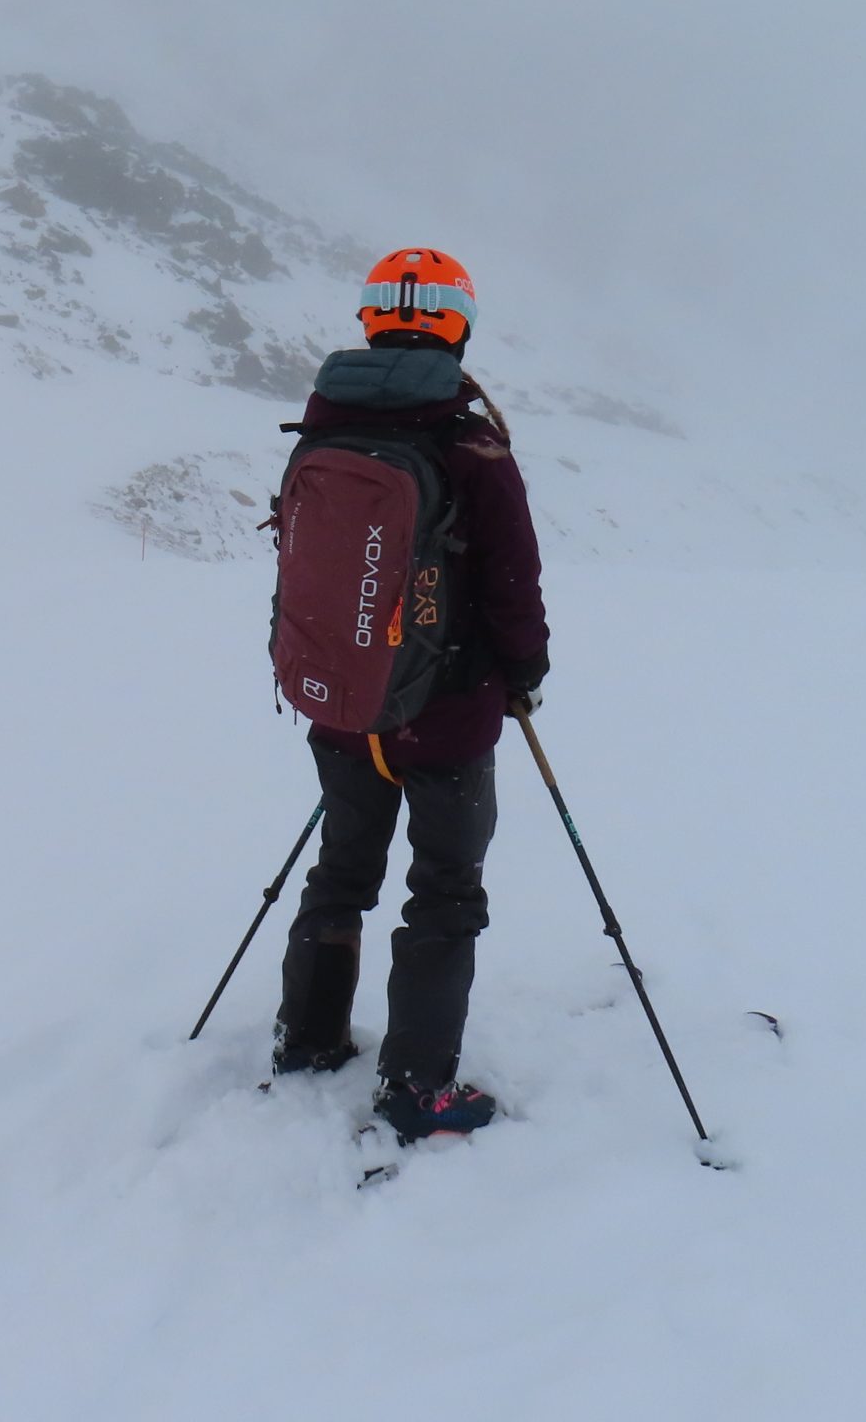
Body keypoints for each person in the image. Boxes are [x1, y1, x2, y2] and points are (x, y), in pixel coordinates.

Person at [271, 247, 550, 1142]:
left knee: (342, 872)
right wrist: (524, 676)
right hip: (448, 716)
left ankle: (307, 1038)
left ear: (370, 321)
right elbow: (513, 580)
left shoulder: (324, 429)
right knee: (445, 893)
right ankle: (416, 1087)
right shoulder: (470, 443)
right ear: (457, 324)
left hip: (343, 704)